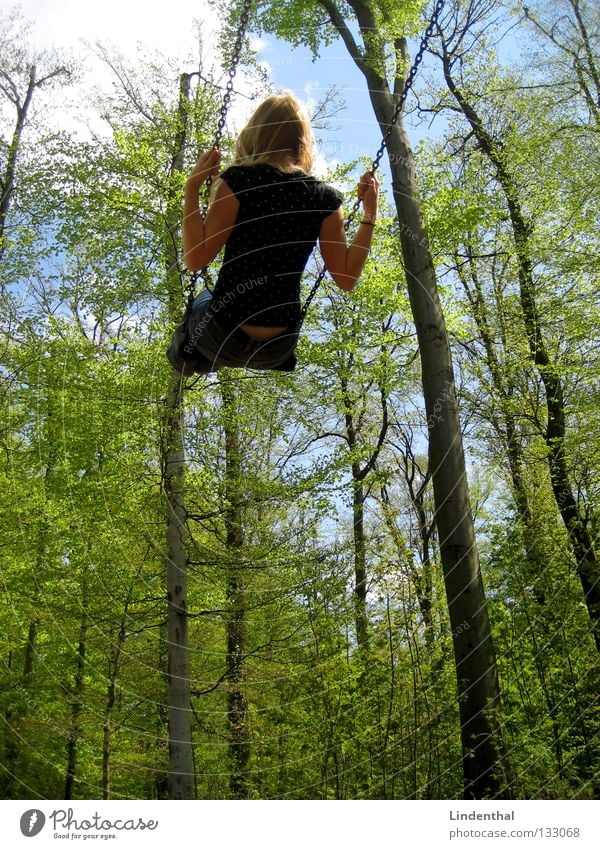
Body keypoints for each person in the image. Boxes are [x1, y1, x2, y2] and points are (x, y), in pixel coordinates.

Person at [167, 91, 379, 376]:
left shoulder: (239, 182)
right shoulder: (325, 198)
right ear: (301, 142)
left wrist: (191, 191)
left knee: (203, 298)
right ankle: (206, 356)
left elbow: (196, 260)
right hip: (276, 349)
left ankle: (187, 358)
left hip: (221, 335)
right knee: (216, 308)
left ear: (254, 133)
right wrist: (369, 215)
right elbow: (346, 278)